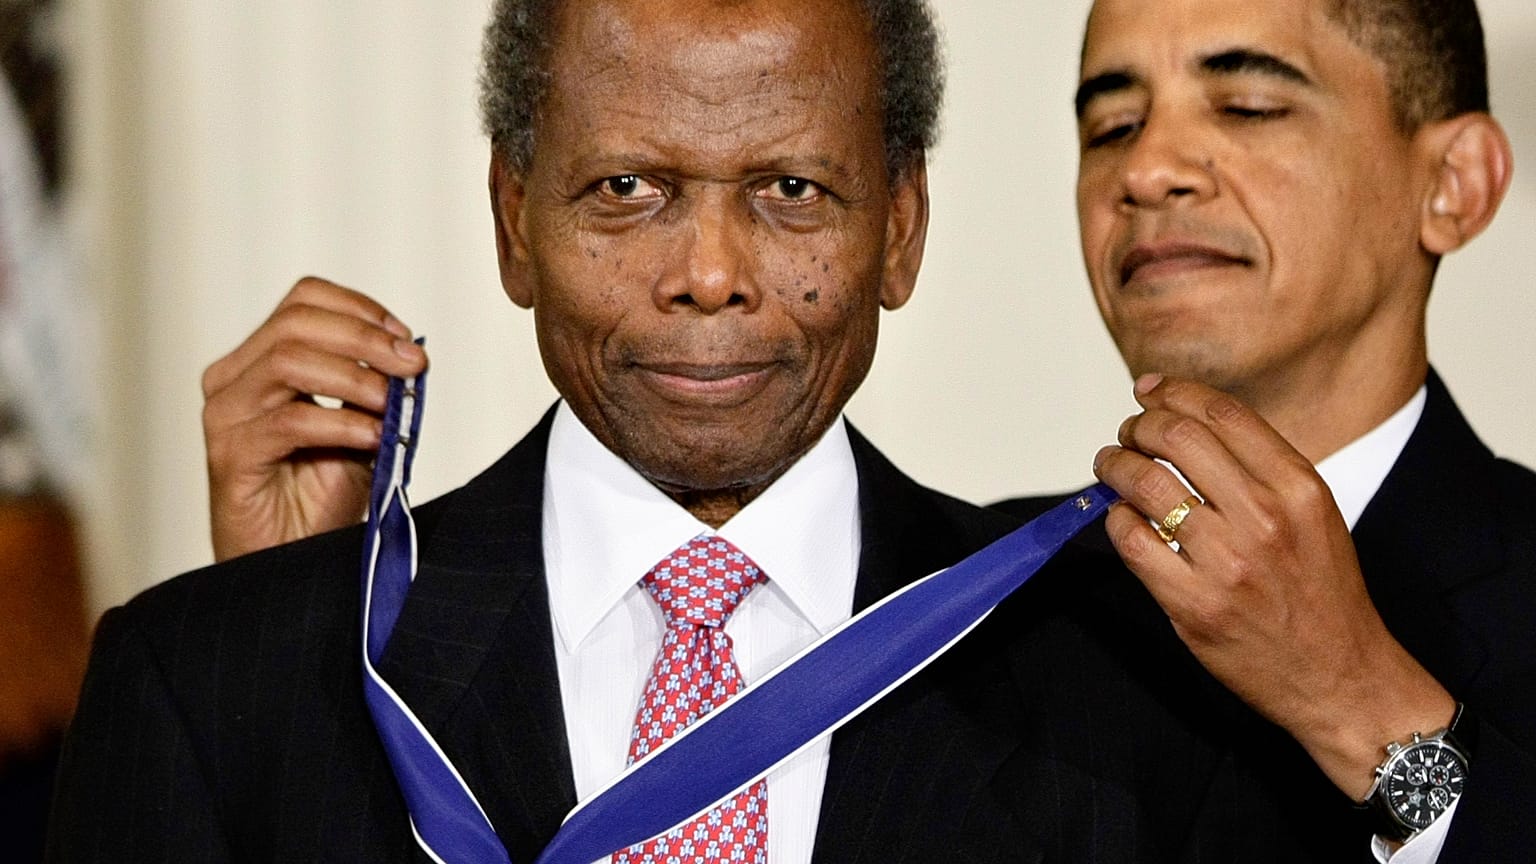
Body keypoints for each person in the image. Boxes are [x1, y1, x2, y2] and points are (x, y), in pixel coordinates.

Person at [48, 1, 1253, 861]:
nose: (710, 274)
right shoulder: (208, 674)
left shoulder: (1119, 662)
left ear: (903, 225)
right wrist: (295, 648)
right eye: (628, 189)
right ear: (514, 221)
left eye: (791, 190)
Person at [997, 0, 1534, 860]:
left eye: (1246, 106)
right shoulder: (972, 600)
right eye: (1113, 124)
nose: (1147, 169)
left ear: (1454, 184)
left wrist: (1355, 697)